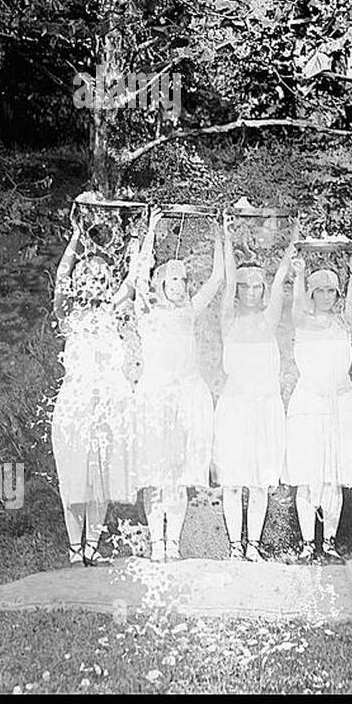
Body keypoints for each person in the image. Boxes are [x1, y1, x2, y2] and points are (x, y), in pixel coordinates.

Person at [126, 209, 223, 561]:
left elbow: (216, 279)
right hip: (154, 398)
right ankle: (156, 542)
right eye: (173, 280)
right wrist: (152, 228)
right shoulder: (147, 312)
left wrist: (218, 233)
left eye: (183, 280)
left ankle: (174, 542)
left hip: (186, 397)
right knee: (155, 473)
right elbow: (138, 276)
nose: (179, 285)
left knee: (180, 474)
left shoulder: (189, 312)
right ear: (162, 283)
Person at [50, 214, 139, 566]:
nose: (96, 281)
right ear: (80, 282)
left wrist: (138, 240)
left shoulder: (111, 314)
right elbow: (60, 279)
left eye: (102, 277)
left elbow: (131, 281)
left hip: (106, 407)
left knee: (100, 476)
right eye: (89, 276)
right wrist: (75, 237)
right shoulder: (69, 315)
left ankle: (91, 545)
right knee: (74, 476)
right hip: (74, 405)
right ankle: (74, 550)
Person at [214, 215, 297, 561]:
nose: (250, 291)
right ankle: (235, 546)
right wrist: (226, 236)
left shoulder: (268, 320)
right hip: (235, 407)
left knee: (261, 480)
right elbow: (228, 281)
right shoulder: (228, 320)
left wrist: (295, 237)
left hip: (266, 408)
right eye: (245, 286)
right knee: (233, 481)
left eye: (256, 286)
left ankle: (253, 546)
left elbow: (280, 279)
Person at [284, 245, 352, 563]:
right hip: (308, 406)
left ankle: (329, 544)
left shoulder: (344, 324)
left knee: (334, 476)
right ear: (311, 293)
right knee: (307, 477)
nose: (327, 296)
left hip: (341, 405)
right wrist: (300, 272)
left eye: (332, 291)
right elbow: (295, 307)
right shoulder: (302, 322)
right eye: (320, 291)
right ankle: (308, 544)